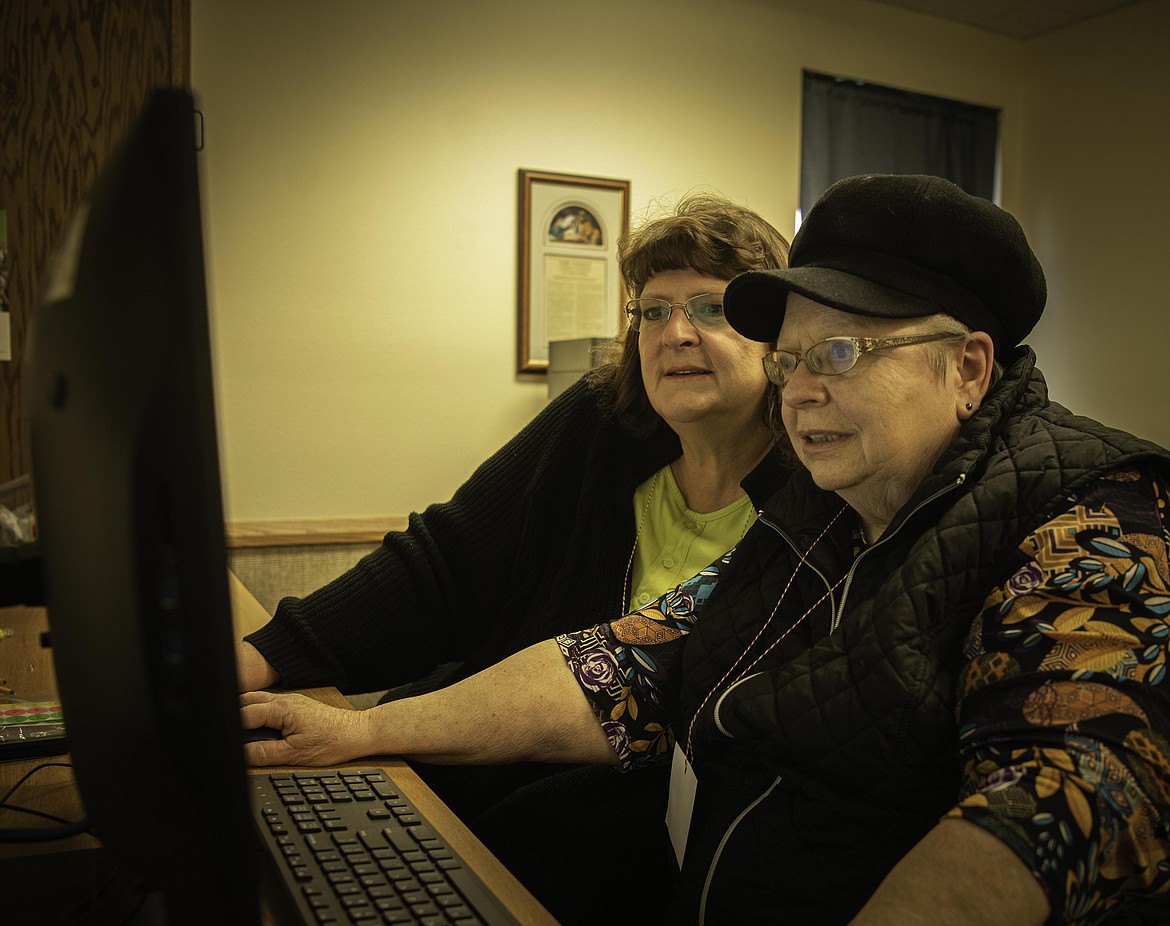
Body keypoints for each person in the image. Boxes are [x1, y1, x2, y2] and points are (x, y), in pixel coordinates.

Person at [243, 174, 1170, 924]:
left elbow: (1068, 790)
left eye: (840, 354)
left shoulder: (1100, 507)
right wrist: (357, 732)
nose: (801, 391)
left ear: (967, 368)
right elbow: (632, 662)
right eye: (792, 359)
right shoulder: (827, 512)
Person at [235, 193, 793, 922]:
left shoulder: (809, 500)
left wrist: (366, 730)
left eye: (709, 308)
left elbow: (640, 692)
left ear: (779, 339)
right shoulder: (600, 424)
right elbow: (442, 564)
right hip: (464, 776)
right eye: (652, 311)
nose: (675, 333)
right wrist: (266, 655)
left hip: (611, 854)